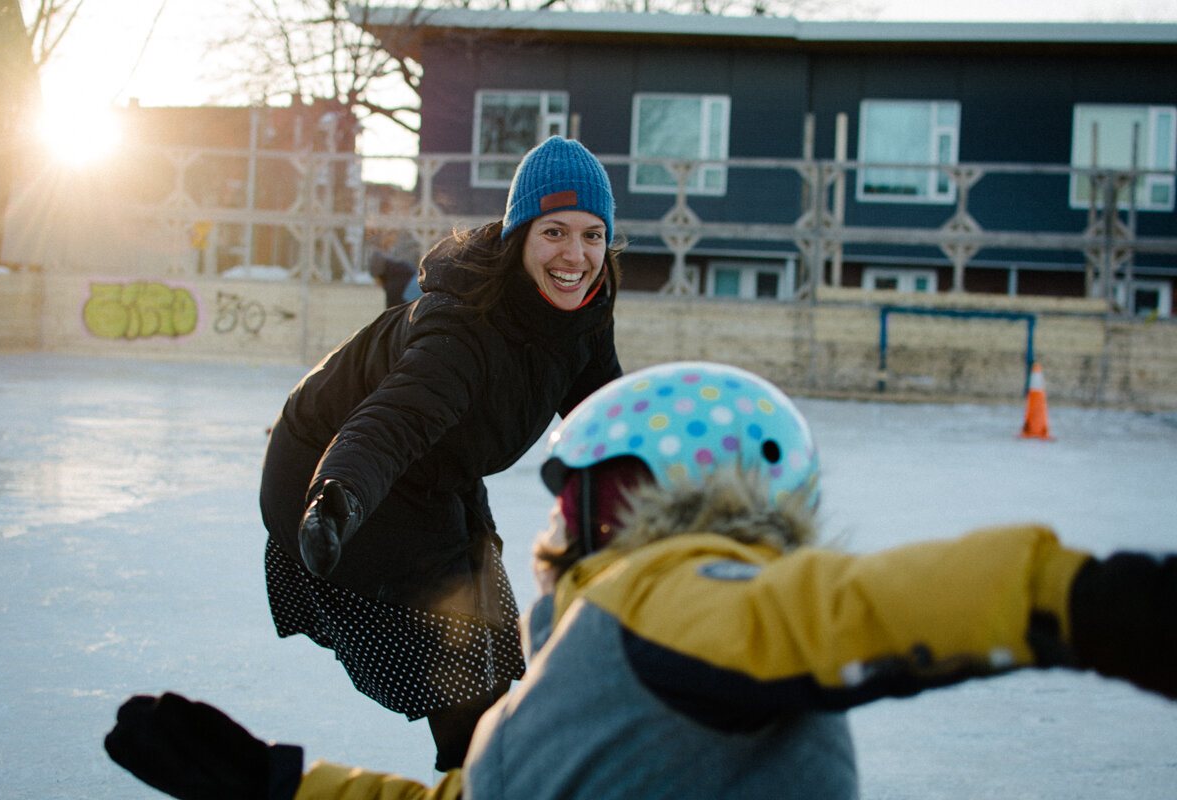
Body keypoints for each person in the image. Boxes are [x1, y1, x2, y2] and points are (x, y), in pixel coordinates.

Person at [106, 362, 1177, 800]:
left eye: (592, 491)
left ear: (663, 498)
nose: (561, 517)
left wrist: (1079, 599)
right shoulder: (587, 644)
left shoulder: (670, 591)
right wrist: (286, 781)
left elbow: (845, 608)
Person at [258, 136, 623, 770]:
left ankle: (485, 768)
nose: (576, 255)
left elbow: (609, 418)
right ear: (519, 237)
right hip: (336, 474)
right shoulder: (463, 330)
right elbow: (392, 422)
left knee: (491, 643)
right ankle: (478, 775)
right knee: (463, 676)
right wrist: (336, 494)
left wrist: (684, 491)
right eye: (555, 232)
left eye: (593, 235)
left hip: (438, 471)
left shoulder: (584, 310)